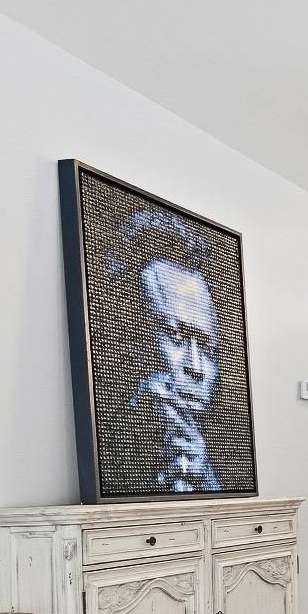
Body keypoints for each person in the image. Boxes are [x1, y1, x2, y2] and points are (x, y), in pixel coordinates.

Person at [107, 208, 223, 492]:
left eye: (207, 346)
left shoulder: (210, 457)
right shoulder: (115, 447)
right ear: (133, 339)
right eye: (174, 335)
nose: (195, 367)